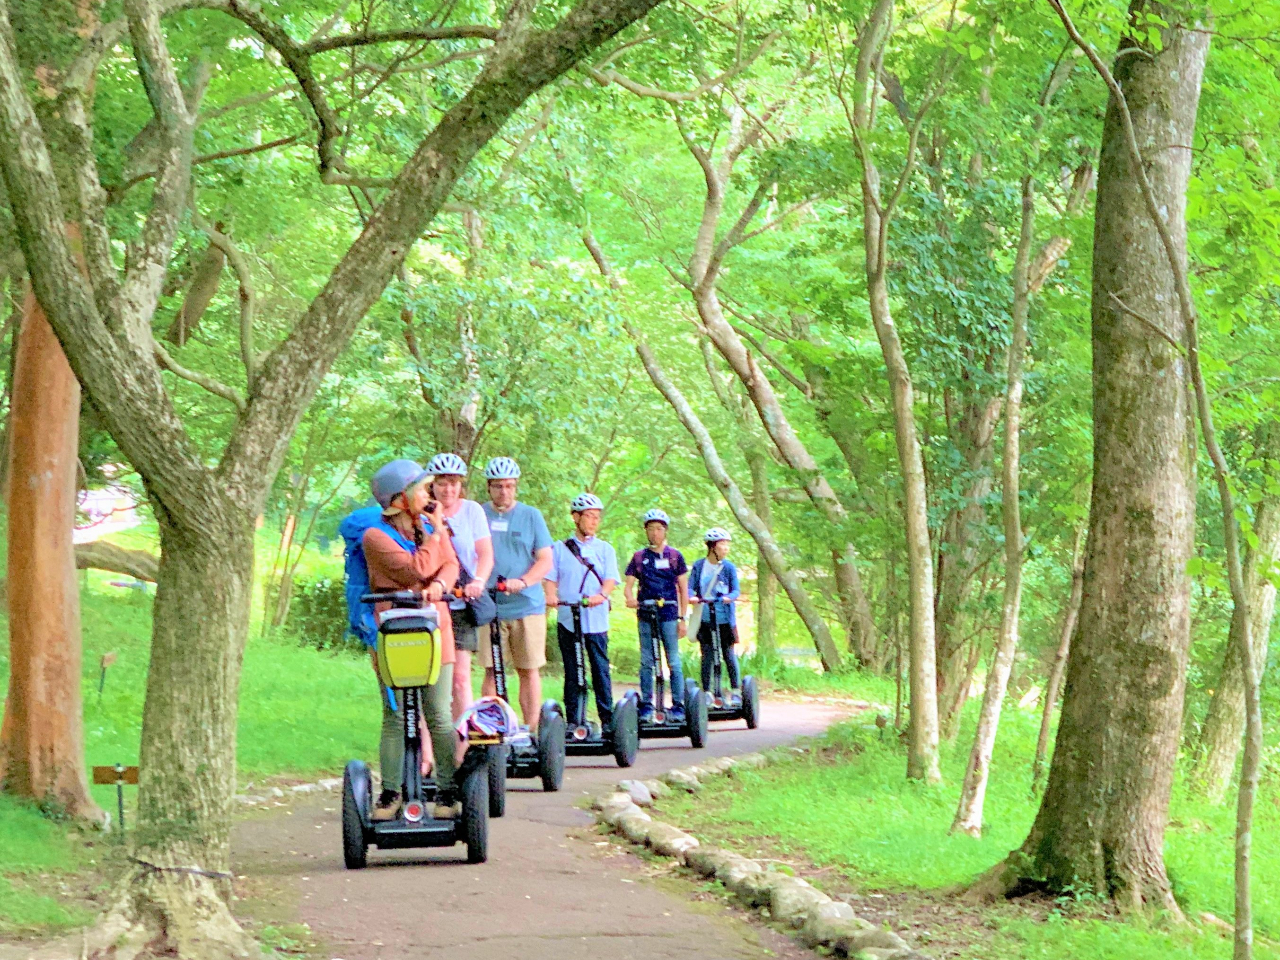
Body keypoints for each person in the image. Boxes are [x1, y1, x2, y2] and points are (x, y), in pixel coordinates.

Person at [360, 459, 461, 821]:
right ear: (400, 498)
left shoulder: (427, 526)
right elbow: (414, 569)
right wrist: (437, 537)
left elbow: (450, 565)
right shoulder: (375, 537)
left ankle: (447, 792)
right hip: (395, 634)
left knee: (439, 715)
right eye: (421, 489)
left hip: (436, 630)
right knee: (396, 715)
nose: (429, 495)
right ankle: (390, 794)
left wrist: (440, 585)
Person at [480, 456, 553, 731]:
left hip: (526, 605)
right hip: (489, 605)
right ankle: (491, 728)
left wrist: (523, 581)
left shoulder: (531, 516)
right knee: (492, 668)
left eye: (509, 486)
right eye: (498, 486)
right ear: (489, 487)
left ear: (516, 487)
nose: (504, 492)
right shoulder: (479, 515)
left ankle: (532, 729)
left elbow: (545, 559)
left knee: (528, 668)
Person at [426, 452, 494, 721]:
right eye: (442, 483)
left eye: (453, 483)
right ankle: (432, 737)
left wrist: (478, 581)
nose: (448, 489)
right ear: (432, 485)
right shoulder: (423, 513)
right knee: (431, 677)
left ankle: (464, 736)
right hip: (433, 604)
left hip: (462, 604)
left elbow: (485, 553)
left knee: (461, 678)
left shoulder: (472, 511)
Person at [544, 493, 620, 733]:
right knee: (573, 670)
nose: (594, 521)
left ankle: (607, 720)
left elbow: (610, 579)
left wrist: (602, 595)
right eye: (589, 516)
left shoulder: (605, 549)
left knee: (600, 669)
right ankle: (573, 720)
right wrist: (551, 596)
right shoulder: (559, 548)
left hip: (596, 620)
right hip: (569, 618)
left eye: (597, 517)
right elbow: (550, 578)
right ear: (576, 517)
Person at [623, 508, 688, 723]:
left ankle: (678, 704)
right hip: (645, 614)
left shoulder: (675, 556)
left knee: (673, 660)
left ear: (665, 531)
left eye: (659, 529)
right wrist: (630, 598)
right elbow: (628, 585)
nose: (655, 533)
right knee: (646, 661)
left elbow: (683, 590)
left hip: (669, 614)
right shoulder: (639, 557)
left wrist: (682, 618)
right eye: (651, 529)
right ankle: (647, 705)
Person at [689, 527, 742, 696]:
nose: (726, 548)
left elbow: (736, 590)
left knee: (728, 654)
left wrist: (728, 597)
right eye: (722, 544)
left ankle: (736, 691)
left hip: (724, 618)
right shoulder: (699, 566)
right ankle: (707, 692)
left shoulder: (728, 567)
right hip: (704, 618)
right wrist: (691, 597)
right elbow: (690, 586)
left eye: (727, 545)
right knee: (707, 655)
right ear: (712, 547)